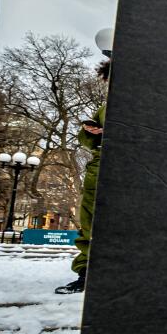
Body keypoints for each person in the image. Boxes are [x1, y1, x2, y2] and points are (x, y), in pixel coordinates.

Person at [56, 48, 110, 295]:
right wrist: (90, 133)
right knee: (91, 224)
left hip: (136, 173)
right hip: (99, 171)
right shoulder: (104, 109)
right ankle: (86, 273)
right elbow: (87, 141)